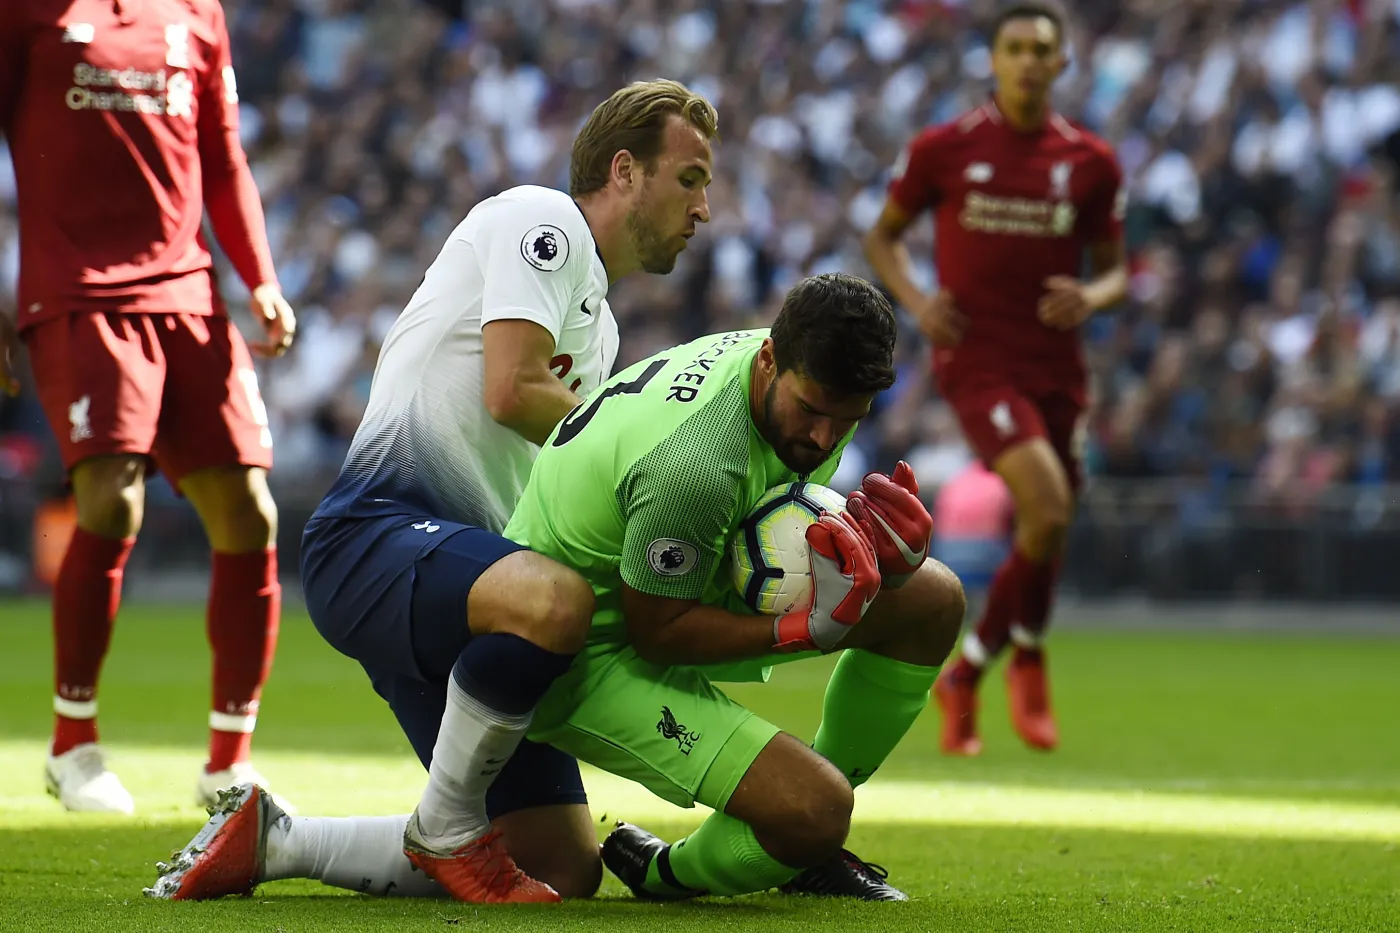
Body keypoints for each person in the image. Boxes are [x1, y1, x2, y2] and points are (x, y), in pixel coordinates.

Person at [151, 79, 718, 905]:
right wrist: (662, 459)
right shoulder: (542, 219)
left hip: (474, 588)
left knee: (561, 866)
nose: (704, 209)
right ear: (624, 171)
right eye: (692, 179)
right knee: (553, 599)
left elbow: (555, 485)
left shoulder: (603, 335)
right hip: (376, 536)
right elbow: (513, 388)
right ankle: (447, 824)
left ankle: (276, 837)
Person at [505, 272, 965, 901]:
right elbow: (658, 635)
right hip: (581, 648)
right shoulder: (696, 466)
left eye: (848, 419)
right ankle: (668, 871)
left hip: (686, 578)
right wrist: (805, 626)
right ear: (770, 360)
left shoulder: (803, 370)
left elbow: (767, 516)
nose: (824, 438)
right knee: (816, 812)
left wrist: (878, 557)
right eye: (811, 412)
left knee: (932, 599)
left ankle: (797, 837)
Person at [0, 0, 296, 813]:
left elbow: (222, 154)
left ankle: (229, 762)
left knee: (250, 511)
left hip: (191, 294)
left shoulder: (198, 12)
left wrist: (260, 277)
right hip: (80, 293)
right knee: (112, 494)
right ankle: (73, 745)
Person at [862, 1, 1128, 756]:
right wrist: (917, 301)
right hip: (978, 361)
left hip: (1057, 365)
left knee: (1053, 524)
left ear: (1062, 63)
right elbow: (882, 237)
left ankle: (1002, 658)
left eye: (1042, 49)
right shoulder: (945, 149)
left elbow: (1114, 275)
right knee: (1043, 510)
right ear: (993, 58)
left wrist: (1091, 296)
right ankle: (997, 664)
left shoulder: (1091, 163)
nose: (1028, 60)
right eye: (1015, 47)